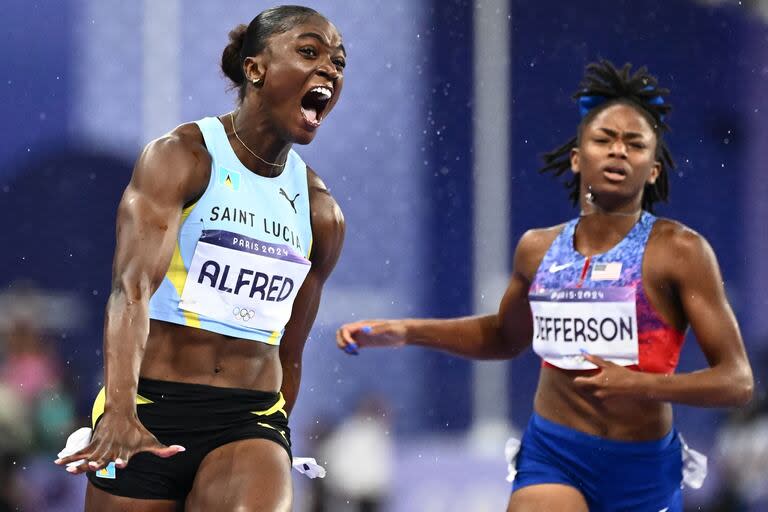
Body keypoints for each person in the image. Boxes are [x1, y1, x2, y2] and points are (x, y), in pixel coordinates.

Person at [337, 60, 754, 512]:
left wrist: (640, 387)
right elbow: (503, 336)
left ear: (653, 169)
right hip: (555, 453)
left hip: (641, 468)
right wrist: (407, 331)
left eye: (635, 145)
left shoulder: (679, 251)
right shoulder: (537, 249)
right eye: (603, 140)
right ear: (578, 158)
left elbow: (735, 382)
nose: (618, 151)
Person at [54, 5, 346, 511]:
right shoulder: (182, 158)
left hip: (248, 420)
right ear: (255, 69)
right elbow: (131, 292)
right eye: (309, 52)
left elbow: (290, 351)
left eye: (339, 62)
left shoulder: (321, 213)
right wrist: (119, 412)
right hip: (148, 407)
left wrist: (279, 435)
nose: (330, 70)